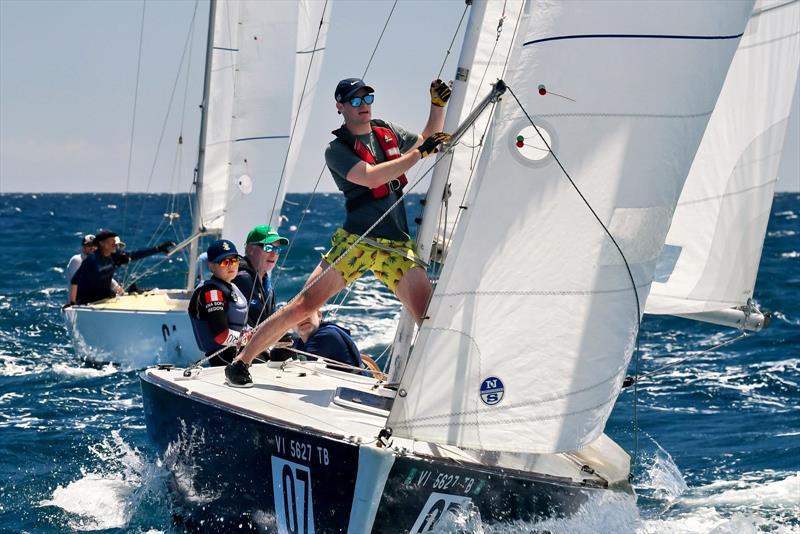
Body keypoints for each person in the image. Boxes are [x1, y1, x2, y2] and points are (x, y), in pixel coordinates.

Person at [224, 77, 451, 387]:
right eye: (355, 101)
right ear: (340, 107)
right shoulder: (337, 150)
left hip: (395, 245)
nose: (363, 105)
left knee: (429, 314)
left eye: (367, 97)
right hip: (357, 241)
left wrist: (437, 106)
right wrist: (420, 154)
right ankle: (242, 361)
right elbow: (370, 177)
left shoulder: (387, 132)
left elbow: (426, 140)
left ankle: (436, 388)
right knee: (305, 305)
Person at [68, 229, 174, 305]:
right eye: (111, 241)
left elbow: (135, 254)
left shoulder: (113, 254)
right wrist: (72, 303)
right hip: (88, 301)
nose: (115, 242)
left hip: (104, 297)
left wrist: (158, 249)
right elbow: (96, 273)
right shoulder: (92, 259)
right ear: (102, 244)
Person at [188, 239, 251, 367]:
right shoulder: (212, 293)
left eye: (234, 261)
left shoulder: (232, 287)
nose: (231, 265)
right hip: (224, 358)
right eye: (224, 262)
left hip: (239, 352)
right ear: (212, 267)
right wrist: (250, 339)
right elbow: (221, 336)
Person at [233, 224, 289, 327]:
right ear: (250, 249)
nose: (273, 254)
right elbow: (257, 320)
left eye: (277, 250)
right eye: (268, 248)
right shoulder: (242, 278)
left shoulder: (263, 278)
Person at [293, 310, 363, 373]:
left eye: (306, 313)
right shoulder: (299, 342)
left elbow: (300, 366)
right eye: (295, 317)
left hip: (352, 385)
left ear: (319, 315)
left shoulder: (326, 335)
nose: (302, 319)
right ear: (289, 325)